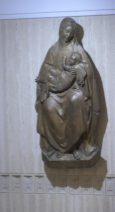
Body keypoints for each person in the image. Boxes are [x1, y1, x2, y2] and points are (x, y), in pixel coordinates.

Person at [35, 17, 100, 159]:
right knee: (47, 105)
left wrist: (77, 69)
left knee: (76, 100)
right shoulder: (53, 50)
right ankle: (58, 146)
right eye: (66, 31)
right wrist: (53, 77)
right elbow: (44, 71)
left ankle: (75, 146)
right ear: (60, 30)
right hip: (55, 90)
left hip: (74, 90)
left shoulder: (78, 50)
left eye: (71, 33)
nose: (68, 35)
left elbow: (88, 72)